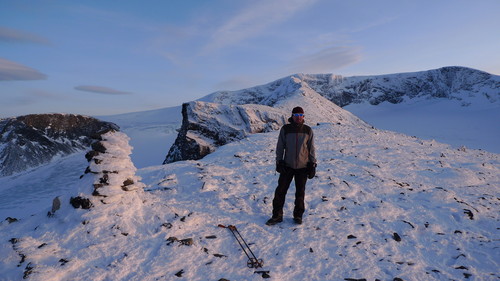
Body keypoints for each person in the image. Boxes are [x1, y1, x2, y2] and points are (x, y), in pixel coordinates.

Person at [266, 106, 317, 225]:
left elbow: (311, 148)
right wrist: (279, 161)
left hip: (303, 166)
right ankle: (277, 215)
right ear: (292, 116)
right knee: (280, 191)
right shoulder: (285, 129)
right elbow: (280, 147)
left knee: (300, 192)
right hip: (287, 166)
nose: (298, 118)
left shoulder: (308, 130)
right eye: (296, 116)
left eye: (300, 116)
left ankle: (298, 216)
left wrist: (313, 164)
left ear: (303, 117)